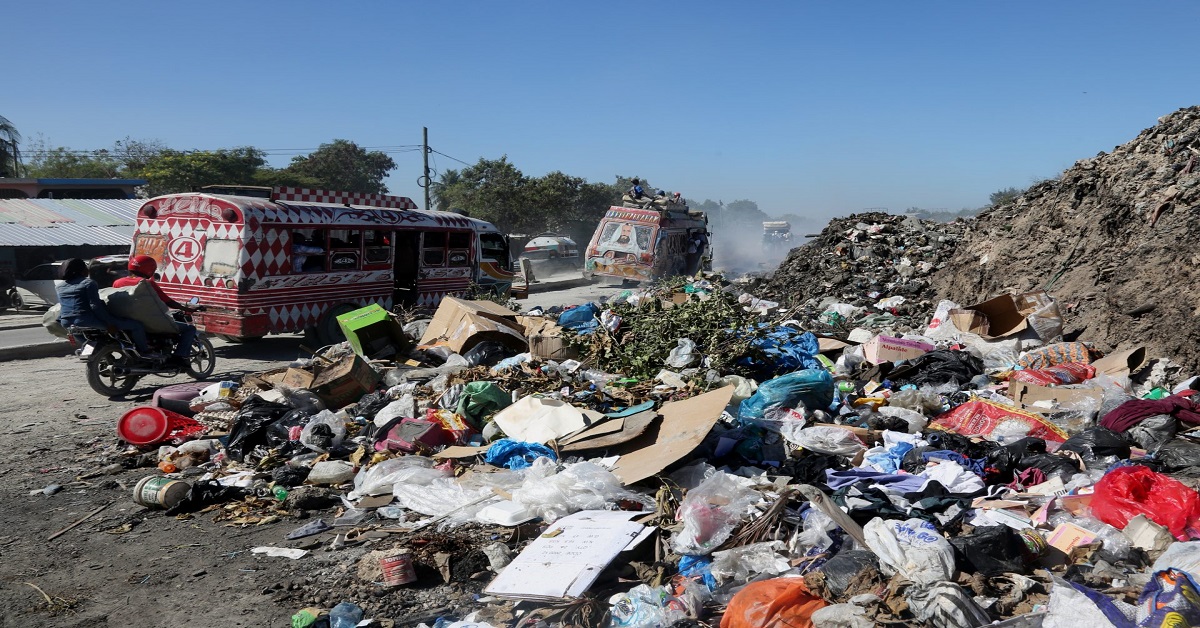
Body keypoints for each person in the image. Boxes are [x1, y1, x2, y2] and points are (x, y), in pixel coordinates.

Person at [114, 255, 197, 367]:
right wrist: (187, 308)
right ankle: (180, 358)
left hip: (127, 319)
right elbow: (168, 302)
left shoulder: (117, 282)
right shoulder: (146, 283)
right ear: (149, 269)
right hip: (148, 321)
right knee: (189, 329)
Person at [56, 258, 151, 355]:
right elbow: (95, 306)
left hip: (66, 322)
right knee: (136, 325)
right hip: (86, 320)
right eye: (85, 267)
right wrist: (110, 323)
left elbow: (63, 306)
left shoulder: (60, 287)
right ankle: (145, 352)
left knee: (89, 340)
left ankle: (98, 353)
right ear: (81, 270)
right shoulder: (88, 283)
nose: (87, 270)